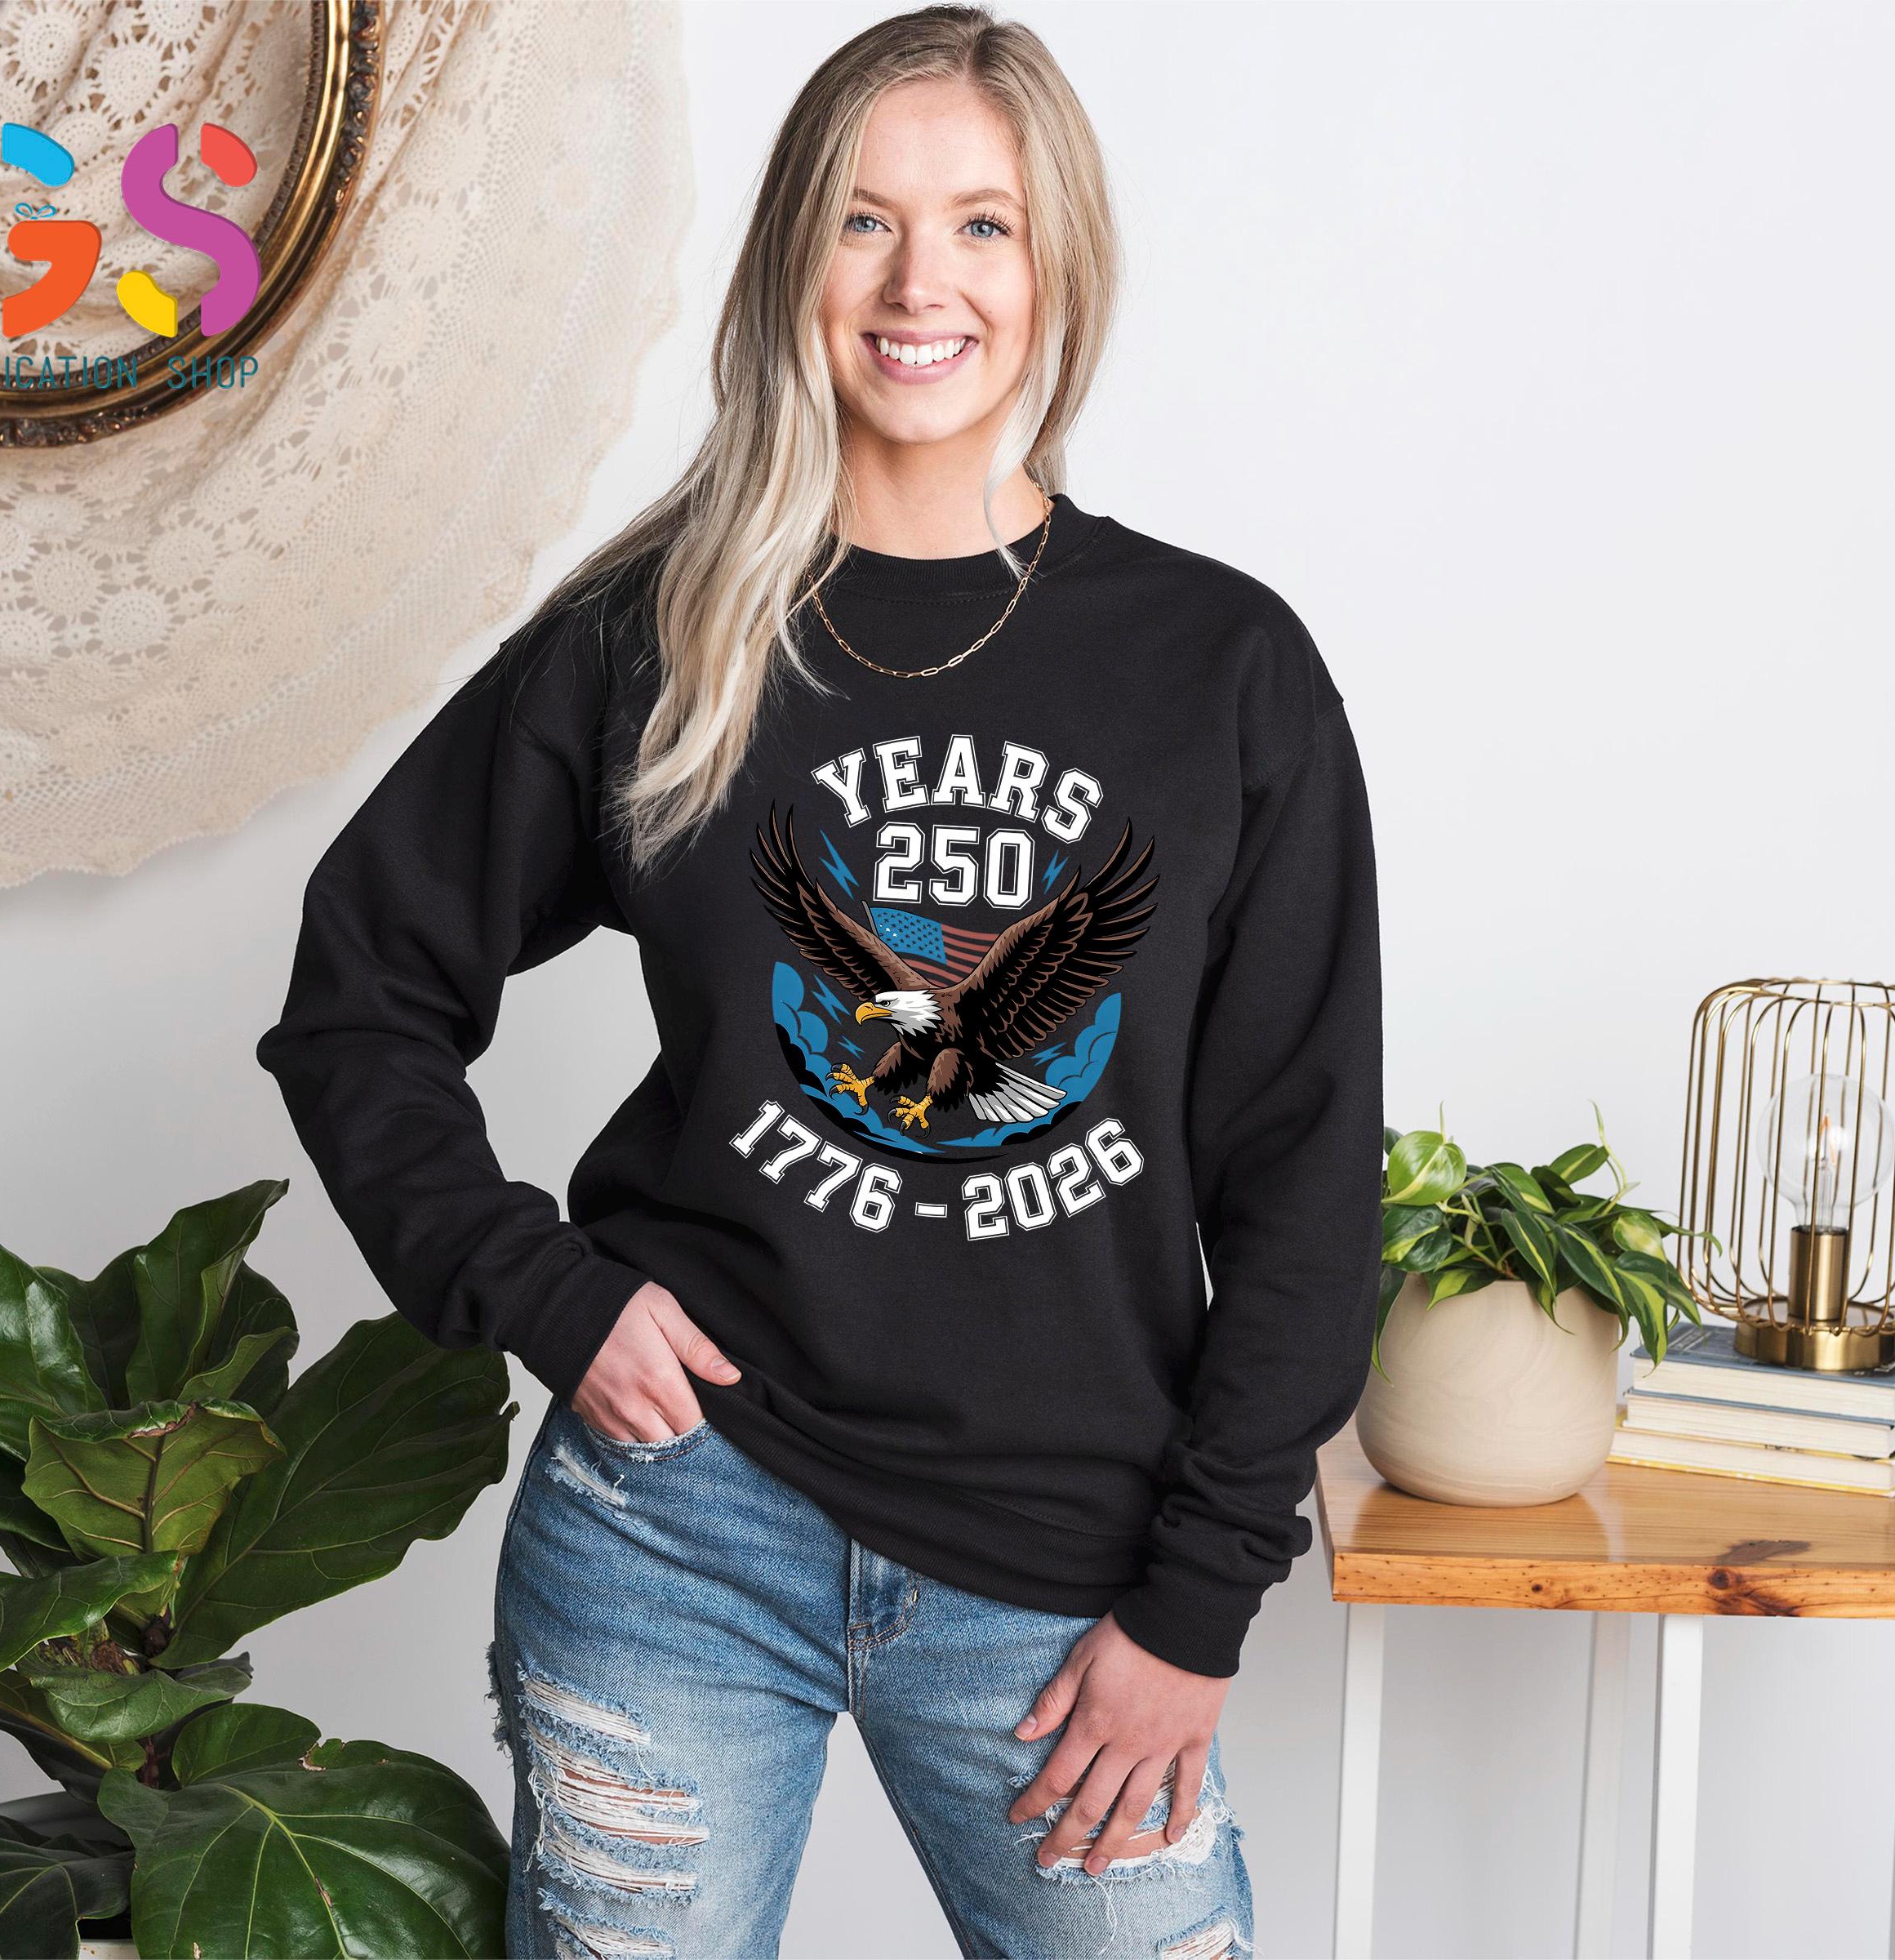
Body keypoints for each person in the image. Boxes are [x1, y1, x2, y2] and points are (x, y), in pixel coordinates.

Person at [256, 7, 1381, 1954]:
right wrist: (544, 1290)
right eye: (866, 221)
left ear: (1058, 266)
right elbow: (362, 990)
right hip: (681, 1534)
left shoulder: (1218, 668)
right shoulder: (659, 634)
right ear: (797, 257)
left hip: (1075, 1559)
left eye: (982, 225)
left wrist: (1196, 1607)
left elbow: (1303, 1165)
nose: (921, 282)